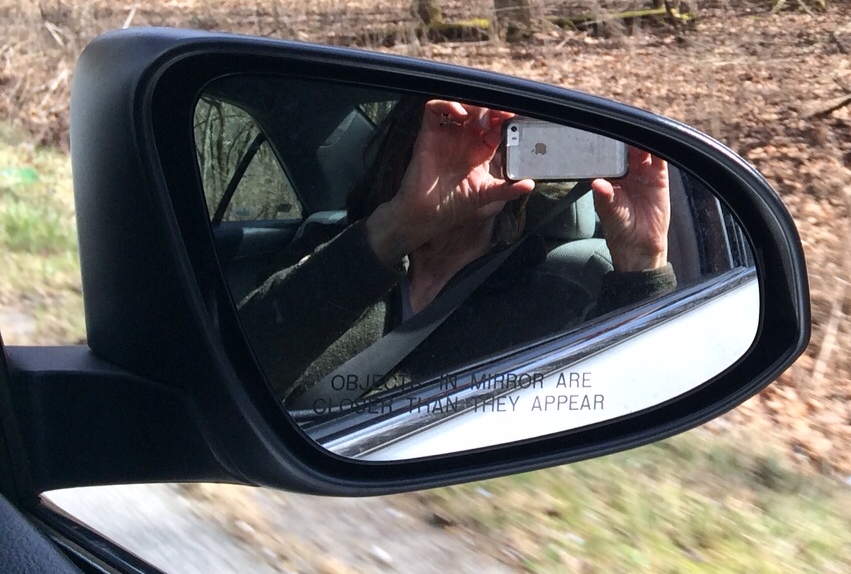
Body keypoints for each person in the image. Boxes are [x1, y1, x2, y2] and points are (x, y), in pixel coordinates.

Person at [236, 97, 674, 410]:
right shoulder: (331, 257)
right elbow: (237, 373)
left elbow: (619, 404)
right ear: (413, 142)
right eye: (457, 124)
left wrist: (641, 261)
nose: (483, 142)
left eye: (504, 130)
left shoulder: (557, 299)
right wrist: (397, 227)